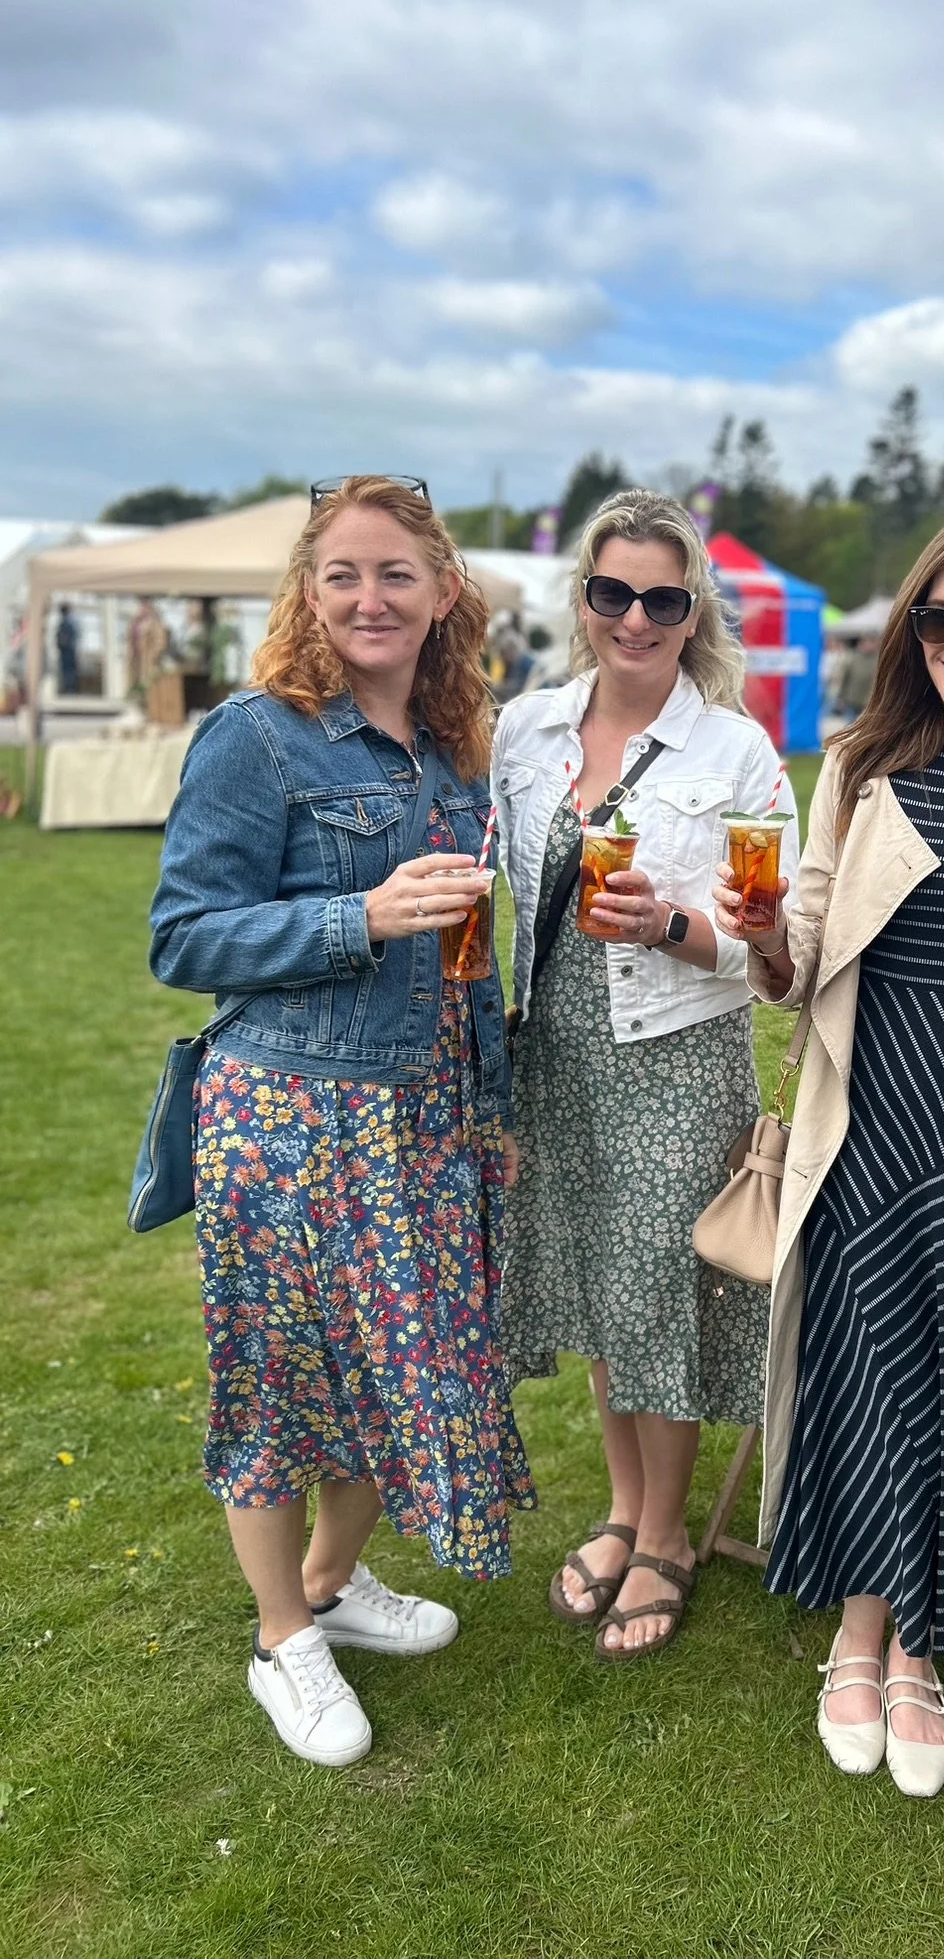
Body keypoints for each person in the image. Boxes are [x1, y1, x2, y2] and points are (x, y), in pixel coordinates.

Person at [150, 475, 533, 1770]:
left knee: (391, 1378)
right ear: (308, 595)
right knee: (277, 1386)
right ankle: (280, 1638)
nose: (369, 599)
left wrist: (491, 1106)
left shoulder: (453, 753)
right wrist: (356, 917)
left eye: (395, 575)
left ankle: (329, 1580)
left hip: (423, 1120)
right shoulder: (257, 736)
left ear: (442, 595)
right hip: (290, 1113)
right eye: (342, 576)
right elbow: (182, 934)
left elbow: (472, 956)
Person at [716, 508, 944, 1799]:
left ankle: (923, 1647)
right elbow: (799, 951)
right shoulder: (868, 767)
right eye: (938, 617)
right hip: (869, 1117)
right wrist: (761, 936)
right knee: (875, 1371)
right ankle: (862, 1636)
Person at [492, 487, 797, 1663]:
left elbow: (781, 946)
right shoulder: (527, 730)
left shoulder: (737, 750)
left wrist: (674, 924)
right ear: (583, 598)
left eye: (661, 597)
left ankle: (665, 1532)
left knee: (664, 1290)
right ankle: (623, 1507)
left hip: (675, 1047)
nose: (635, 617)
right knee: (597, 1280)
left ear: (691, 611)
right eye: (613, 592)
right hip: (559, 1046)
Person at [55, 601, 80, 695]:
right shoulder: (70, 621)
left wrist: (61, 643)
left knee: (68, 670)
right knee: (70, 670)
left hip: (67, 650)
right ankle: (70, 688)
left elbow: (63, 637)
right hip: (69, 649)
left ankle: (70, 689)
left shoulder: (65, 622)